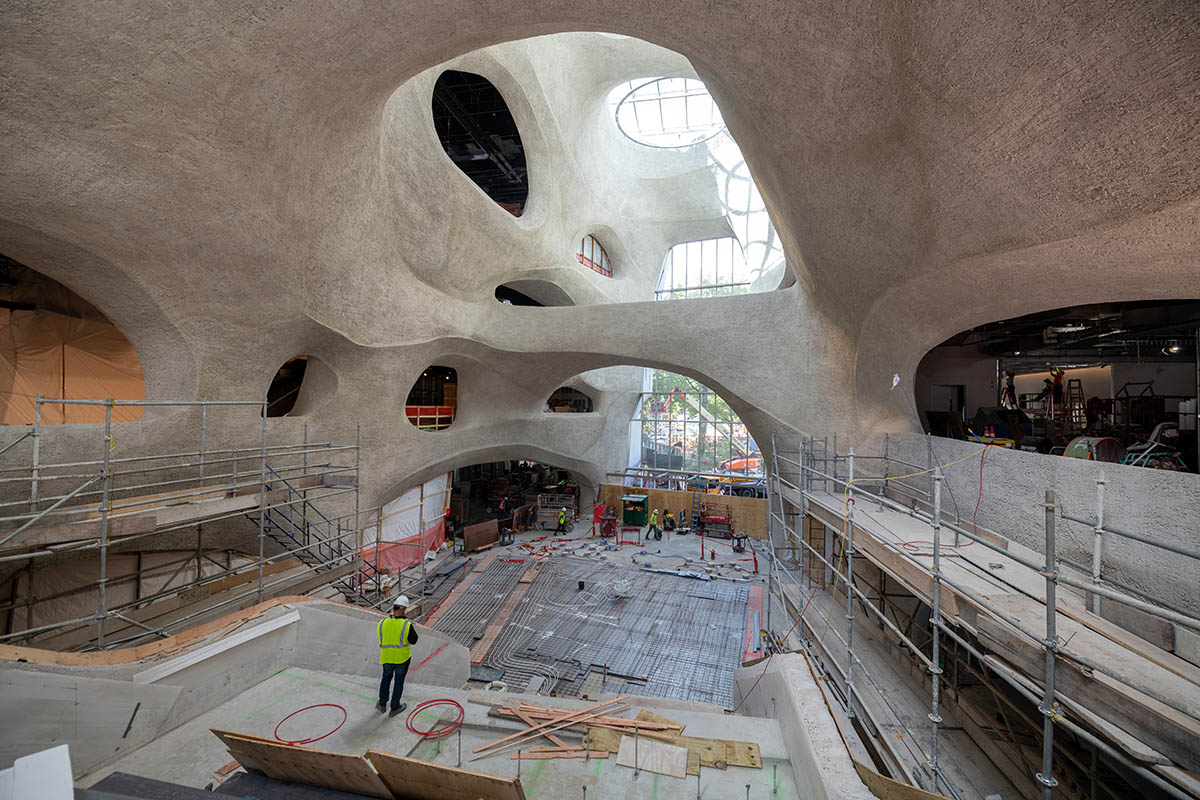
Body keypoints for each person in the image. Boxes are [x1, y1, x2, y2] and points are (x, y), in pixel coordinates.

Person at [377, 595, 419, 717]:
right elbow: (414, 640)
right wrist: (410, 625)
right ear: (403, 610)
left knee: (385, 680)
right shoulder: (406, 625)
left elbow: (382, 640)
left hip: (386, 658)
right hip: (402, 659)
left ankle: (382, 703)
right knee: (398, 682)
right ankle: (394, 707)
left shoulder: (382, 623)